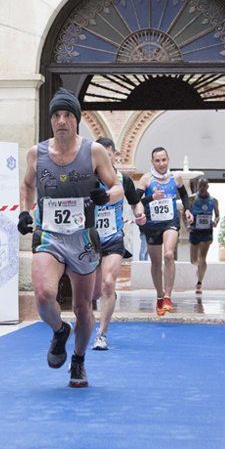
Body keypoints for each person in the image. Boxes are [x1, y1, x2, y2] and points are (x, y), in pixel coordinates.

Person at [18, 88, 123, 388]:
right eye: (56, 115)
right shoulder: (35, 153)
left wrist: (104, 195)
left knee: (81, 307)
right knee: (42, 294)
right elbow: (27, 186)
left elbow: (117, 187)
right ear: (51, 120)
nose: (61, 120)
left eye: (67, 115)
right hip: (49, 233)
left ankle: (78, 360)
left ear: (76, 119)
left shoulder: (94, 152)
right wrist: (26, 212)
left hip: (83, 238)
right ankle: (59, 330)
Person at [91, 138, 146, 351]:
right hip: (89, 240)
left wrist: (139, 214)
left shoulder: (122, 180)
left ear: (114, 156)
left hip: (113, 238)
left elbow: (135, 201)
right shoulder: (87, 179)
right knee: (92, 292)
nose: (104, 158)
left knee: (107, 283)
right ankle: (87, 323)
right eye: (100, 155)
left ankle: (101, 334)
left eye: (108, 154)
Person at [136, 147, 193, 316]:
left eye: (164, 160)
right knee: (155, 263)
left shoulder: (176, 178)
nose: (161, 164)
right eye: (157, 160)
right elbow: (136, 200)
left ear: (168, 160)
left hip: (170, 222)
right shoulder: (146, 179)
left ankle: (168, 296)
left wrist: (188, 210)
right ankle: (160, 296)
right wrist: (150, 198)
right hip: (152, 225)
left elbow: (184, 196)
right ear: (152, 162)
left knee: (168, 254)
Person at [188, 178, 219, 294]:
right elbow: (184, 213)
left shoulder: (213, 200)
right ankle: (199, 269)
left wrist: (216, 222)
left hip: (207, 231)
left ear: (207, 187)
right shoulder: (192, 199)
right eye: (200, 186)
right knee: (193, 260)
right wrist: (187, 224)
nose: (201, 188)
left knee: (203, 258)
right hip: (195, 230)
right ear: (197, 187)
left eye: (204, 186)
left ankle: (199, 282)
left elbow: (217, 215)